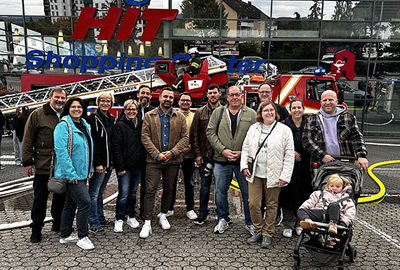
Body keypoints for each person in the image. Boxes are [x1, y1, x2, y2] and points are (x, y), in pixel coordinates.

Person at [241, 100, 294, 249]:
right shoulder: (253, 128)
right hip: (255, 173)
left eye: (271, 110)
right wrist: (244, 166)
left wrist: (285, 175)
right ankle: (258, 230)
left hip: (275, 173)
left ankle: (268, 233)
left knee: (272, 205)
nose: (269, 113)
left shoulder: (284, 130)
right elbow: (245, 148)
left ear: (275, 113)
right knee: (253, 203)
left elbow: (289, 155)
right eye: (266, 111)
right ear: (260, 113)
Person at [139, 87, 189, 238]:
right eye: (165, 96)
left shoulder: (179, 116)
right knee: (150, 190)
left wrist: (172, 152)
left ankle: (163, 215)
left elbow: (185, 138)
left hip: (173, 160)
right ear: (159, 98)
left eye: (171, 97)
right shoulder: (149, 115)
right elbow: (145, 137)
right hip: (153, 161)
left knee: (169, 189)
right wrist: (156, 154)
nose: (168, 99)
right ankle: (147, 221)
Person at [206, 85, 256, 234]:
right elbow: (210, 132)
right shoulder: (218, 112)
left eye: (237, 95)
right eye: (231, 95)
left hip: (244, 161)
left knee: (247, 193)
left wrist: (243, 152)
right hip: (222, 160)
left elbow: (255, 136)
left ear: (242, 96)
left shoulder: (251, 114)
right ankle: (223, 219)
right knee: (220, 191)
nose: (235, 97)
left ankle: (250, 222)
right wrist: (223, 150)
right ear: (227, 97)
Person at [22, 86, 67, 243]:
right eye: (57, 97)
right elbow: (27, 139)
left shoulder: (68, 114)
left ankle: (58, 223)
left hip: (62, 165)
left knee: (60, 196)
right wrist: (27, 161)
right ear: (50, 98)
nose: (60, 100)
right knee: (40, 198)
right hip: (43, 163)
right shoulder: (38, 115)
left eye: (63, 98)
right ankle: (36, 228)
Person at [54, 97, 94, 250]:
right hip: (71, 175)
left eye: (79, 107)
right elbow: (61, 152)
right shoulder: (63, 126)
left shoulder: (84, 125)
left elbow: (88, 148)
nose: (77, 109)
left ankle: (65, 234)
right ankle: (82, 236)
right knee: (85, 202)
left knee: (70, 204)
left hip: (82, 173)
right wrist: (71, 175)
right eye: (73, 107)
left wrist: (89, 168)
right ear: (68, 109)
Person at [302, 90, 368, 172]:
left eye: (330, 100)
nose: (327, 102)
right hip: (321, 164)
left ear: (336, 101)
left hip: (345, 163)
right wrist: (322, 155)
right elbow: (306, 140)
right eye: (324, 100)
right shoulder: (312, 119)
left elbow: (357, 137)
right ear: (320, 102)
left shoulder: (348, 117)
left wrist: (361, 155)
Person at [112, 99, 145, 233]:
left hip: (137, 166)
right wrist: (120, 167)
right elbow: (116, 148)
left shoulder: (141, 125)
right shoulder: (119, 125)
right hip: (124, 167)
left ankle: (131, 216)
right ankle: (119, 219)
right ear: (124, 111)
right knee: (124, 193)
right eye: (129, 109)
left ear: (137, 111)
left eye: (134, 109)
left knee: (133, 193)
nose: (131, 112)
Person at [280, 98, 312, 238]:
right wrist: (290, 152)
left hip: (306, 166)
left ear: (303, 109)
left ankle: (300, 223)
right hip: (288, 166)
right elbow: (277, 144)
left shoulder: (310, 124)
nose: (297, 110)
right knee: (287, 194)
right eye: (294, 108)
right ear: (290, 110)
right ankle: (288, 224)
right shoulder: (283, 126)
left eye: (299, 107)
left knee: (304, 194)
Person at [191, 84, 222, 225]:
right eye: (210, 93)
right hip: (205, 155)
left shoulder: (226, 111)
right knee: (204, 187)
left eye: (215, 93)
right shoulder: (200, 112)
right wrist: (197, 155)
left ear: (220, 94)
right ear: (207, 95)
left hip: (221, 156)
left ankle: (222, 215)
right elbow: (194, 135)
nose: (212, 95)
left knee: (221, 188)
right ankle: (203, 213)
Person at [87, 93, 115, 235]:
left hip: (108, 163)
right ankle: (93, 222)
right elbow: (94, 143)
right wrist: (97, 163)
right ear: (98, 102)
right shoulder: (93, 119)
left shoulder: (111, 119)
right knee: (93, 193)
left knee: (100, 192)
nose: (105, 103)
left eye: (108, 101)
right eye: (102, 101)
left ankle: (100, 217)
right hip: (100, 164)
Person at [168, 92, 198, 220]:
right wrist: (176, 150)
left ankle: (190, 208)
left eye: (188, 100)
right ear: (179, 102)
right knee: (171, 183)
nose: (185, 102)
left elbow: (196, 135)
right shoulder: (172, 115)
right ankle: (169, 208)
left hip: (189, 155)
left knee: (189, 183)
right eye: (183, 100)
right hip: (174, 155)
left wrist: (190, 148)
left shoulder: (194, 116)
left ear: (191, 103)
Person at [136, 85, 155, 221]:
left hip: (148, 155)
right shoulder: (131, 109)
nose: (145, 95)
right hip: (134, 154)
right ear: (138, 94)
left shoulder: (154, 111)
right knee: (129, 188)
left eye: (147, 93)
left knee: (147, 186)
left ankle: (144, 212)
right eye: (142, 93)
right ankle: (127, 212)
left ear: (151, 96)